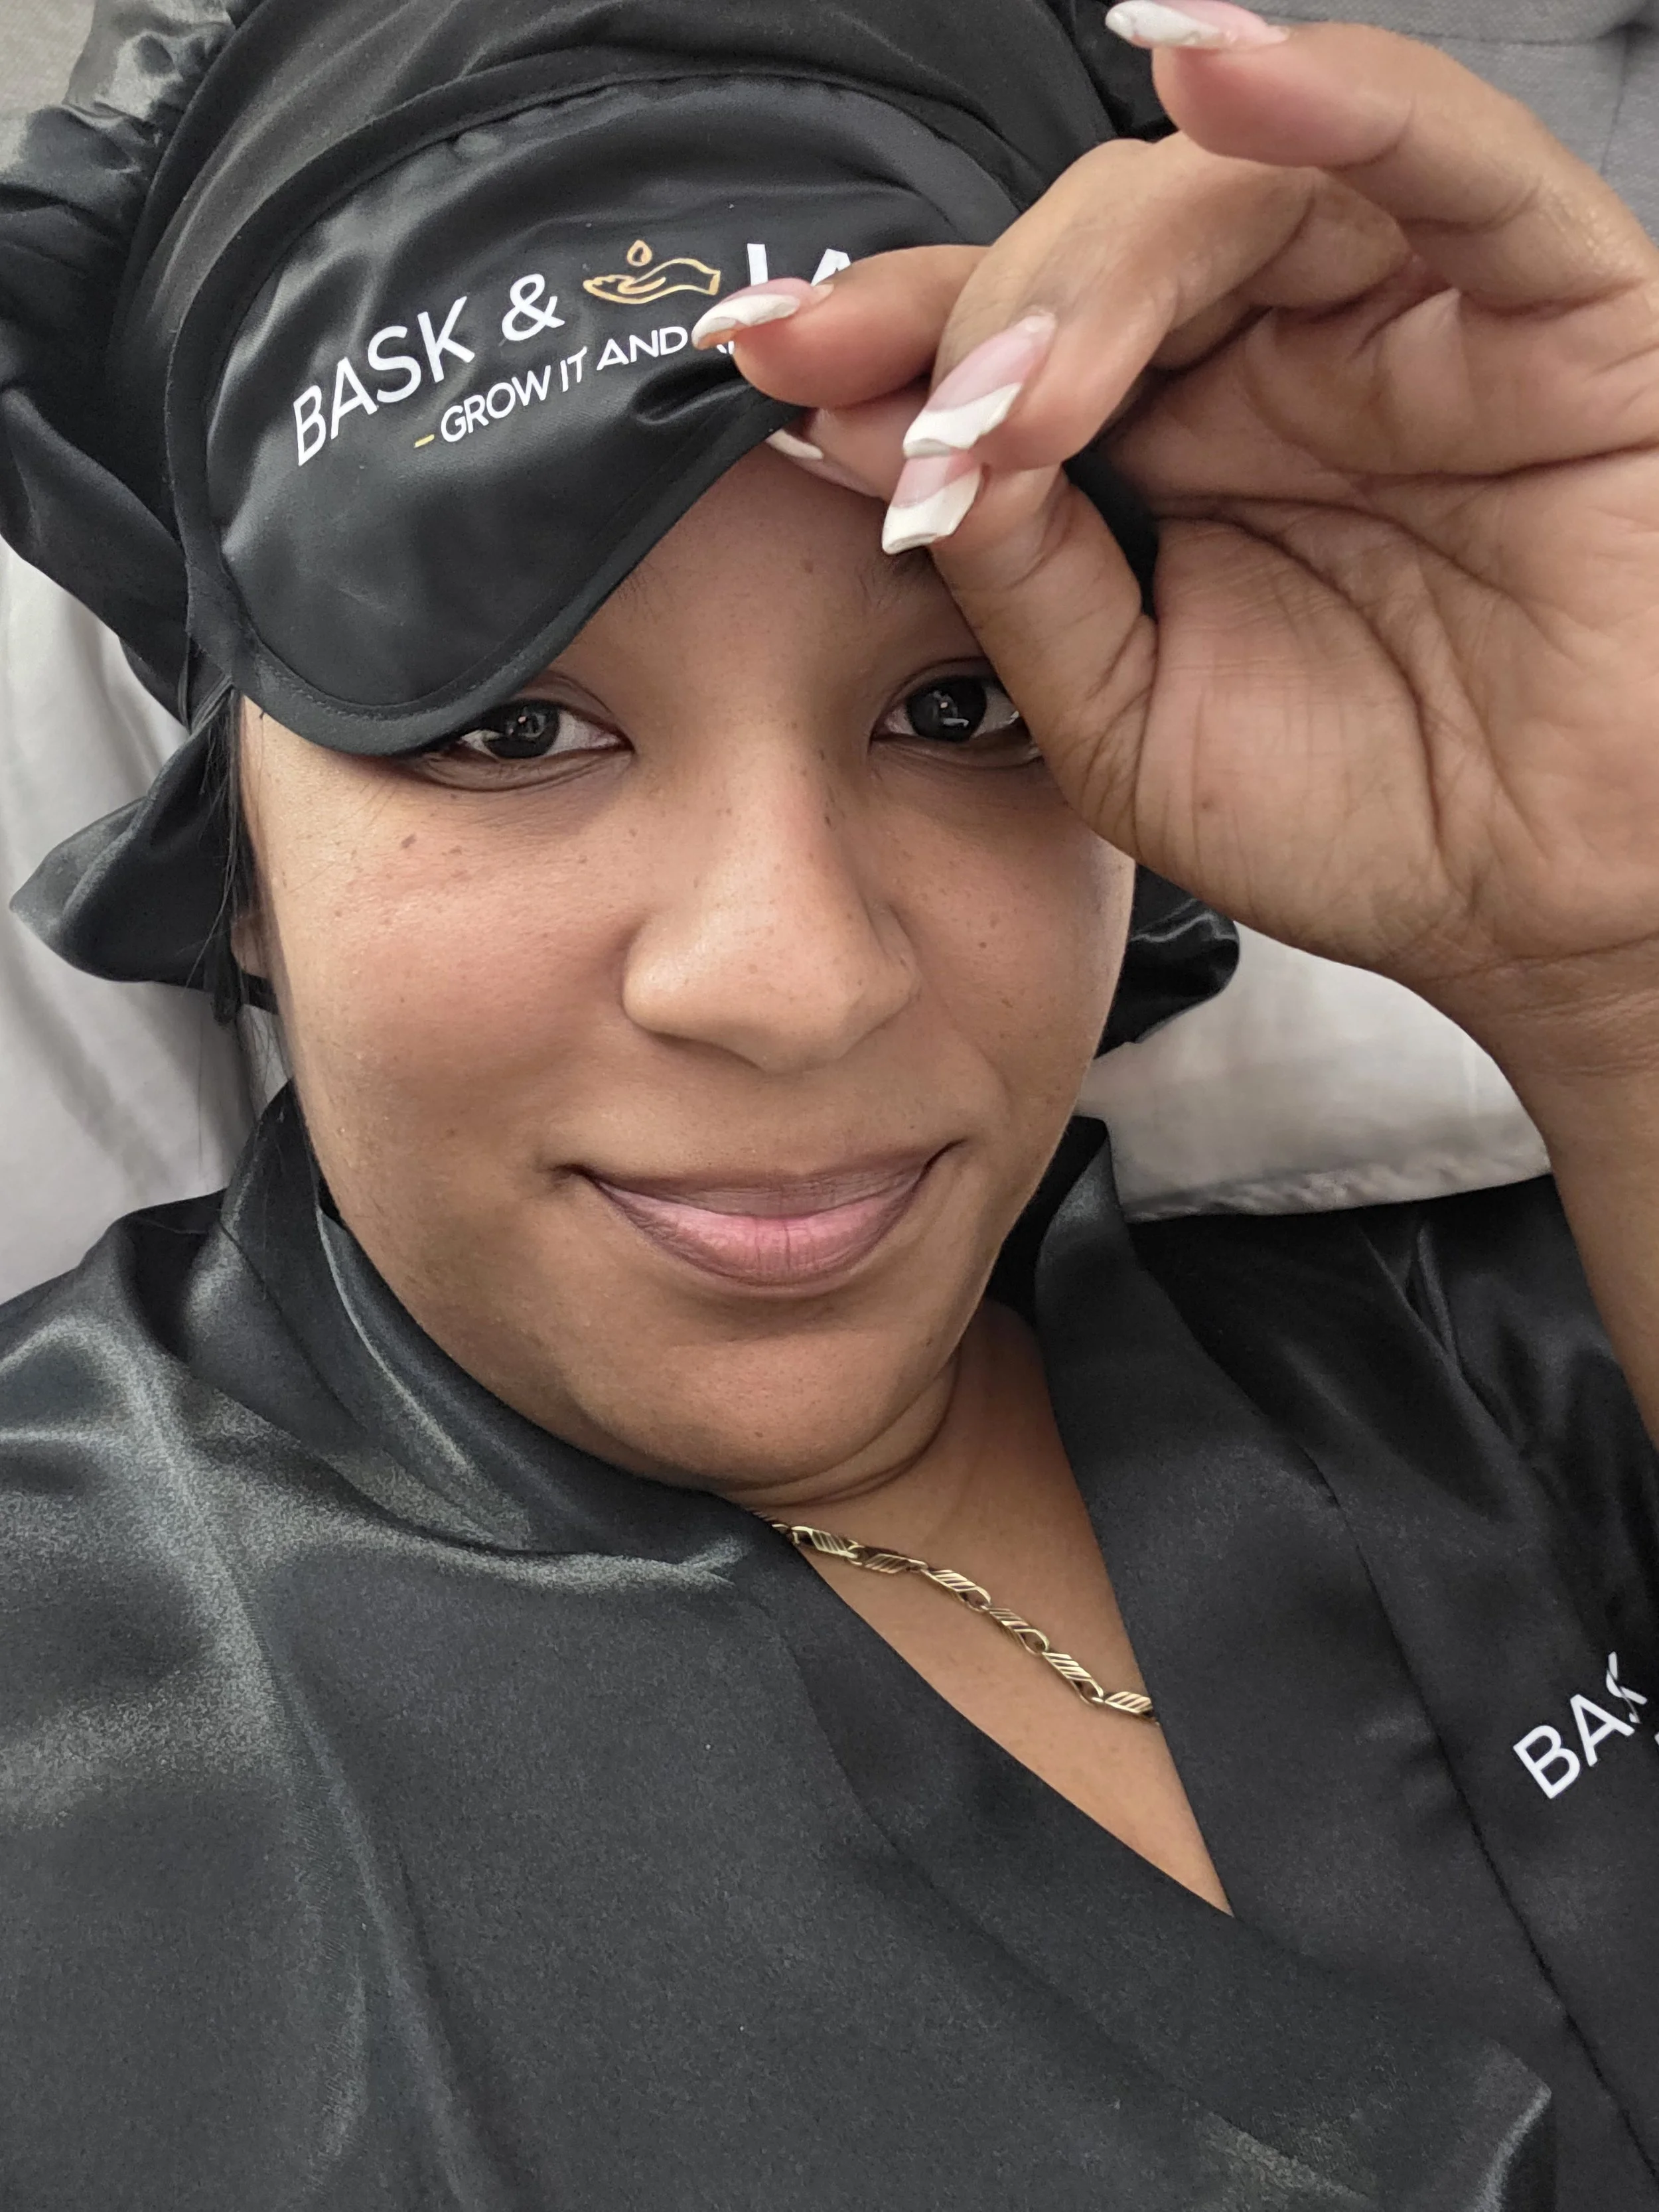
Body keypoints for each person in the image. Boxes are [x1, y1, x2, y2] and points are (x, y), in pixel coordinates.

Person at [3, 0, 1659, 2204]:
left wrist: (1616, 972)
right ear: (234, 858)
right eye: (507, 725)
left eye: (959, 699)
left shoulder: (1522, 1322)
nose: (790, 981)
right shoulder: (64, 1688)